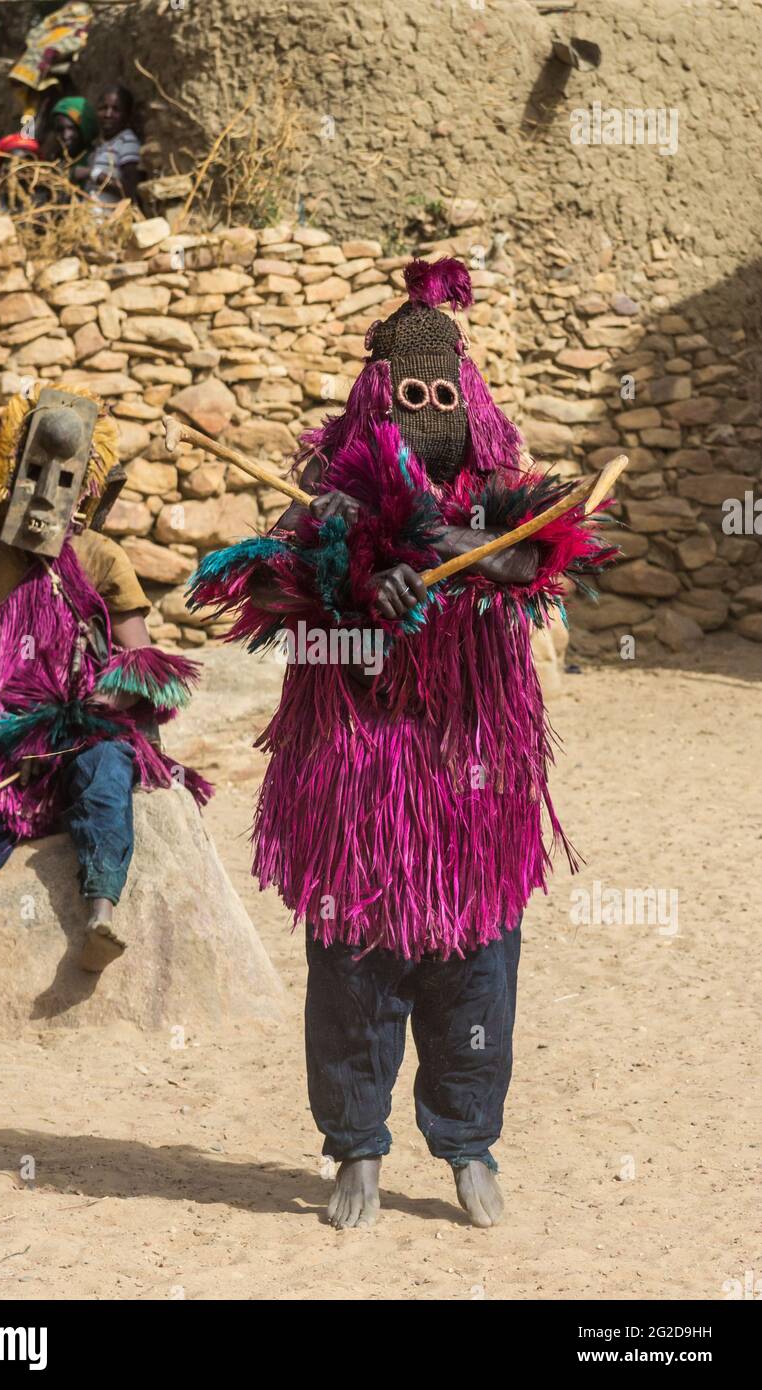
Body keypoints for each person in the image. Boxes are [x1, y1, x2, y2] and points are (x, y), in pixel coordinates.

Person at [188, 256, 618, 1229]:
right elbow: (265, 588)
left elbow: (538, 556)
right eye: (406, 389)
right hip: (356, 779)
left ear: (466, 394)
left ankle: (467, 1143)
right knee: (352, 967)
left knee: (475, 964)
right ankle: (355, 1150)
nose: (425, 405)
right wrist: (350, 577)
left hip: (475, 783)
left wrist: (487, 563)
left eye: (440, 387)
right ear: (374, 395)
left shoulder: (497, 502)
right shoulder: (327, 507)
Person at [0, 385, 210, 975]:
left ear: (87, 489)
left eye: (61, 480)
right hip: (0, 737)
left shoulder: (103, 560)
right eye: (30, 474)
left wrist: (107, 698)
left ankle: (99, 911)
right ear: (7, 476)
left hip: (80, 732)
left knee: (106, 774)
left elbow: (146, 666)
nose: (43, 494)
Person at [85, 84, 141, 206]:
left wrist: (93, 174)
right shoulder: (100, 144)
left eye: (116, 109)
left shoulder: (127, 141)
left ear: (127, 115)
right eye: (103, 108)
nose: (108, 114)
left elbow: (130, 190)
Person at [45, 95, 99, 184]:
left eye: (72, 128)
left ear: (85, 130)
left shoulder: (95, 160)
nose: (65, 136)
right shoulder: (54, 161)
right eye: (60, 129)